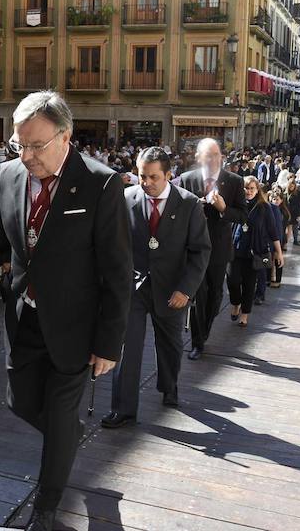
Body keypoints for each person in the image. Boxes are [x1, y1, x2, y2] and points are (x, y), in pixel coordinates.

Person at [0, 91, 132, 531]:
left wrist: (109, 342)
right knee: (21, 402)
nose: (26, 155)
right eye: (19, 145)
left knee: (57, 413)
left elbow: (117, 270)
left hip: (76, 326)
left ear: (65, 136)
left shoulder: (101, 183)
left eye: (36, 145)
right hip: (24, 318)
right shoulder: (8, 176)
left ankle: (46, 510)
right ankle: (66, 439)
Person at [104, 147, 210, 426]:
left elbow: (200, 251)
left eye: (153, 177)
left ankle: (169, 385)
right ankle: (124, 409)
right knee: (127, 348)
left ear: (168, 175)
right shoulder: (126, 198)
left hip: (172, 289)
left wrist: (186, 289)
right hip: (134, 287)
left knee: (171, 346)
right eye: (142, 176)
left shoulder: (188, 204)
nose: (147, 183)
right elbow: (114, 244)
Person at [175, 138, 247, 360]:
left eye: (217, 155)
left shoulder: (234, 181)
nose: (214, 160)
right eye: (209, 156)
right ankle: (198, 342)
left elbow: (243, 215)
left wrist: (224, 208)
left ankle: (204, 330)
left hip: (219, 249)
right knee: (198, 295)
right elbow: (176, 212)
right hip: (194, 249)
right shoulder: (186, 180)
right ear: (198, 158)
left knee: (215, 296)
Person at [227, 177, 283, 327]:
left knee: (249, 285)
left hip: (254, 252)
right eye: (246, 188)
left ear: (257, 190)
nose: (248, 191)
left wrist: (279, 252)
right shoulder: (236, 204)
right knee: (232, 281)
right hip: (236, 248)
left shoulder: (264, 208)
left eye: (252, 188)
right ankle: (236, 303)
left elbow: (273, 232)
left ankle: (244, 314)